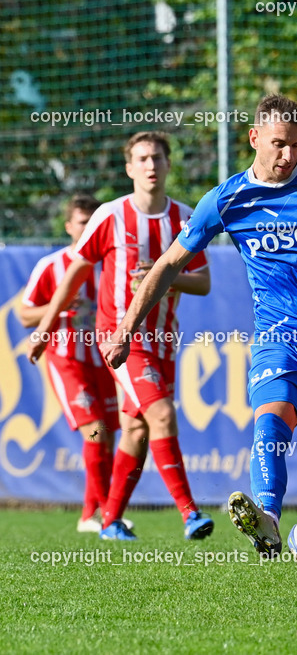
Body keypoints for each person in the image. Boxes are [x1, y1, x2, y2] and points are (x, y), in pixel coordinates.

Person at [100, 95, 297, 583]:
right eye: (278, 144)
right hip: (280, 340)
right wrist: (125, 329)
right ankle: (268, 516)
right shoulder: (226, 199)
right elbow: (168, 264)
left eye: (296, 144)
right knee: (271, 421)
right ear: (254, 138)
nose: (288, 155)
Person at [29, 132, 214, 541]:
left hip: (163, 340)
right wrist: (45, 326)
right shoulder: (110, 215)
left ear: (168, 164)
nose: (150, 165)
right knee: (160, 415)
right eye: (142, 158)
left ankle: (110, 520)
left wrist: (165, 275)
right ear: (129, 168)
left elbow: (203, 282)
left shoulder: (185, 218)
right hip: (120, 338)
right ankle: (190, 513)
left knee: (136, 429)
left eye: (157, 157)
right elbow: (76, 271)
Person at [19, 194, 120, 532]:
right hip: (68, 361)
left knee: (106, 438)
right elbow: (24, 315)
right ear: (68, 227)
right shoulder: (52, 265)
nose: (88, 227)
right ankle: (107, 516)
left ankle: (90, 515)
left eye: (93, 221)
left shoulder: (109, 264)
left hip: (103, 361)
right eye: (82, 222)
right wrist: (59, 307)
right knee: (95, 432)